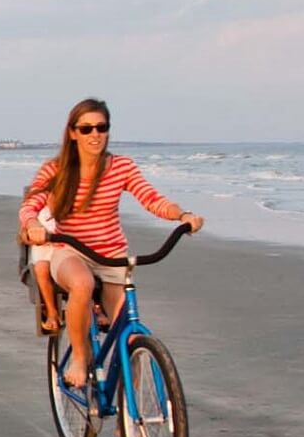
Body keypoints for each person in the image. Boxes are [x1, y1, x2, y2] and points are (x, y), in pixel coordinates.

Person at [17, 98, 203, 388]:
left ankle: (130, 424)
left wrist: (181, 215)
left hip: (112, 255)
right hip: (70, 252)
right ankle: (80, 357)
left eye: (101, 128)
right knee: (82, 285)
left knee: (130, 338)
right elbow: (31, 204)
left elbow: (151, 199)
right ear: (73, 133)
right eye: (87, 128)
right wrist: (33, 225)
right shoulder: (56, 170)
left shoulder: (121, 167)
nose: (95, 135)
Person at [28, 203, 61, 334]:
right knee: (42, 269)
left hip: (69, 246)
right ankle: (51, 312)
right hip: (44, 247)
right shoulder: (39, 204)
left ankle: (96, 308)